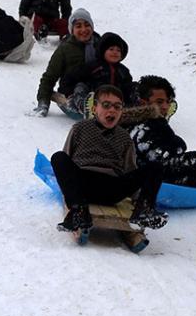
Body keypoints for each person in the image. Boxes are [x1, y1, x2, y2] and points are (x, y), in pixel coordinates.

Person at [51, 85, 168, 233]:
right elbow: (67, 157)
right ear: (94, 109)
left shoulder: (125, 138)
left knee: (156, 166)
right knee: (59, 158)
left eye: (117, 107)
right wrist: (69, 188)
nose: (111, 110)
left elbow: (130, 169)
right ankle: (79, 212)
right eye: (106, 105)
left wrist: (135, 198)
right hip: (83, 183)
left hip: (113, 188)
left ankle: (143, 211)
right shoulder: (80, 128)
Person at [31, 8, 100, 117]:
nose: (84, 29)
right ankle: (86, 108)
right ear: (72, 30)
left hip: (96, 90)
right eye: (78, 26)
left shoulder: (99, 44)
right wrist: (43, 101)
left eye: (87, 25)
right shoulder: (65, 49)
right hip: (70, 94)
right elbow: (49, 77)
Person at [57, 32, 135, 115]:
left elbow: (127, 86)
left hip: (113, 101)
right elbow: (70, 77)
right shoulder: (93, 66)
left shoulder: (123, 71)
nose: (115, 52)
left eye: (118, 50)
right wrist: (67, 92)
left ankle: (126, 109)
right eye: (111, 49)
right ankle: (86, 108)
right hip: (93, 98)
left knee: (132, 88)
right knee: (81, 86)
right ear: (103, 51)